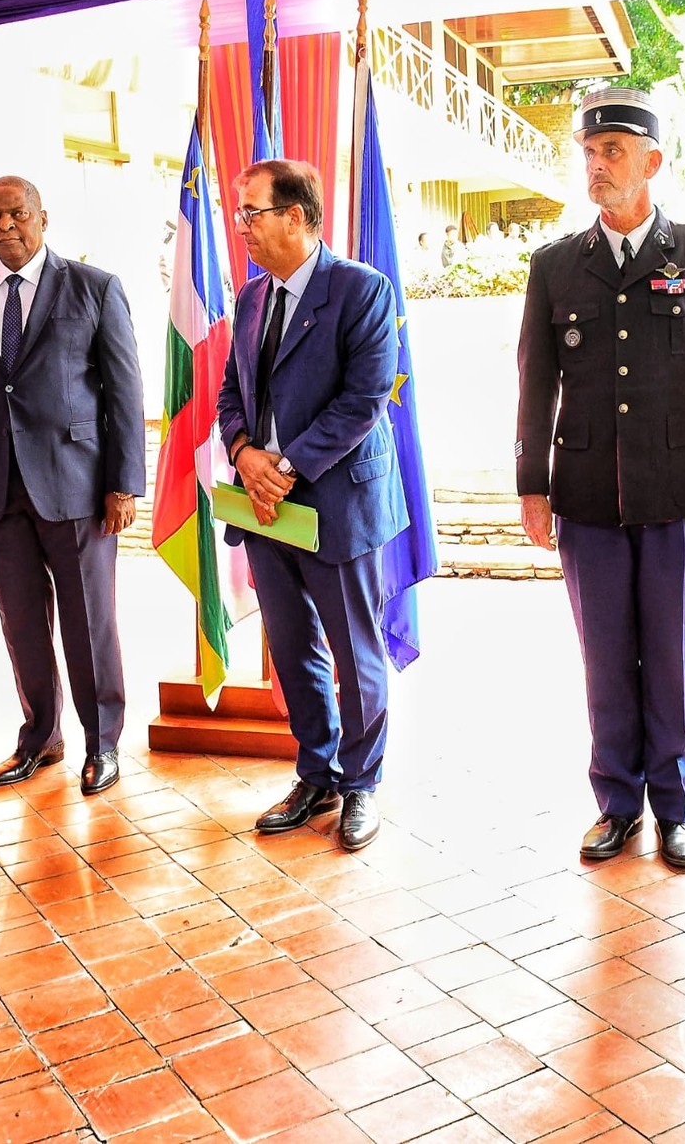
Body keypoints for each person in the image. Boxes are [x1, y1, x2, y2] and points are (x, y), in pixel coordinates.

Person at [516, 87, 685, 870]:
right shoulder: (555, 266)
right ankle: (616, 804)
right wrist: (532, 483)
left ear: (652, 160)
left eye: (612, 150)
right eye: (588, 151)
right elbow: (535, 381)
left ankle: (676, 806)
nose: (597, 164)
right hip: (585, 494)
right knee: (605, 659)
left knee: (671, 654)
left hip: (677, 485)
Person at [0, 177, 145, 795]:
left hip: (76, 486)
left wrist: (124, 483)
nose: (5, 226)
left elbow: (124, 391)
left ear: (42, 218)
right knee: (20, 623)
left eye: (17, 214)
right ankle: (40, 738)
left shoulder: (94, 287)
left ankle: (102, 744)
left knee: (88, 622)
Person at [220, 158, 404, 852]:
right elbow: (231, 393)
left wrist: (285, 466)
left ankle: (362, 784)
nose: (241, 226)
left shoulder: (362, 290)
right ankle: (316, 772)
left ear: (295, 217)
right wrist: (245, 456)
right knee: (294, 649)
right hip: (266, 508)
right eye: (240, 213)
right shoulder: (250, 298)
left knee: (355, 652)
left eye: (251, 213)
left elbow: (363, 399)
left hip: (336, 501)